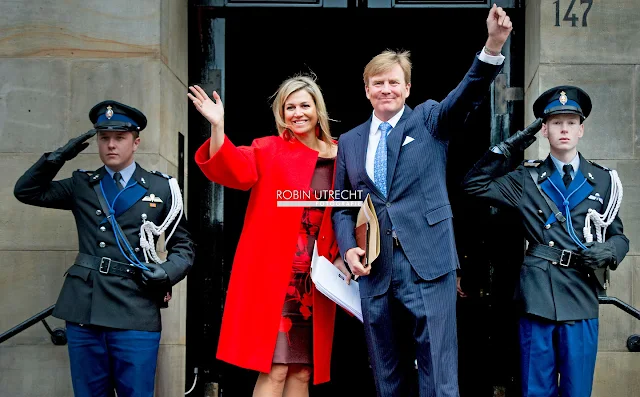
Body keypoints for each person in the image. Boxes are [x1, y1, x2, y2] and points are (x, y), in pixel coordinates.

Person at [331, 4, 513, 396]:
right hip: (376, 270)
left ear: (408, 88)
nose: (386, 89)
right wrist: (347, 248)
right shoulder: (349, 142)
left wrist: (493, 45)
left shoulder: (429, 120)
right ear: (366, 89)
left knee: (439, 374)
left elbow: (466, 95)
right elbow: (343, 205)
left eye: (394, 83)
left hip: (428, 264)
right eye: (378, 83)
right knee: (387, 374)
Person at [13, 100, 195, 397]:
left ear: (135, 142)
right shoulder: (82, 183)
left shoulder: (161, 188)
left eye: (119, 138)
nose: (111, 145)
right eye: (104, 138)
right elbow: (27, 191)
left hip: (136, 307)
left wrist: (165, 271)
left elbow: (184, 247)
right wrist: (60, 156)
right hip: (87, 307)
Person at [461, 85, 629, 396]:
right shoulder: (526, 179)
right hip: (537, 298)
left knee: (578, 390)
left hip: (581, 295)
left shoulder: (604, 180)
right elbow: (474, 184)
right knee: (535, 390)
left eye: (570, 122)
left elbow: (620, 236)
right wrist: (516, 142)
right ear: (544, 130)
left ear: (581, 129)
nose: (563, 129)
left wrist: (608, 250)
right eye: (555, 123)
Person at [189, 75, 347, 396]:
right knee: (275, 369)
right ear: (281, 113)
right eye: (290, 107)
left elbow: (360, 208)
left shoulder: (344, 153)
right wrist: (218, 127)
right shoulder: (269, 148)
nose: (298, 113)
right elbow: (231, 167)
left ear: (318, 109)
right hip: (277, 280)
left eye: (305, 105)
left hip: (318, 278)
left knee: (302, 371)